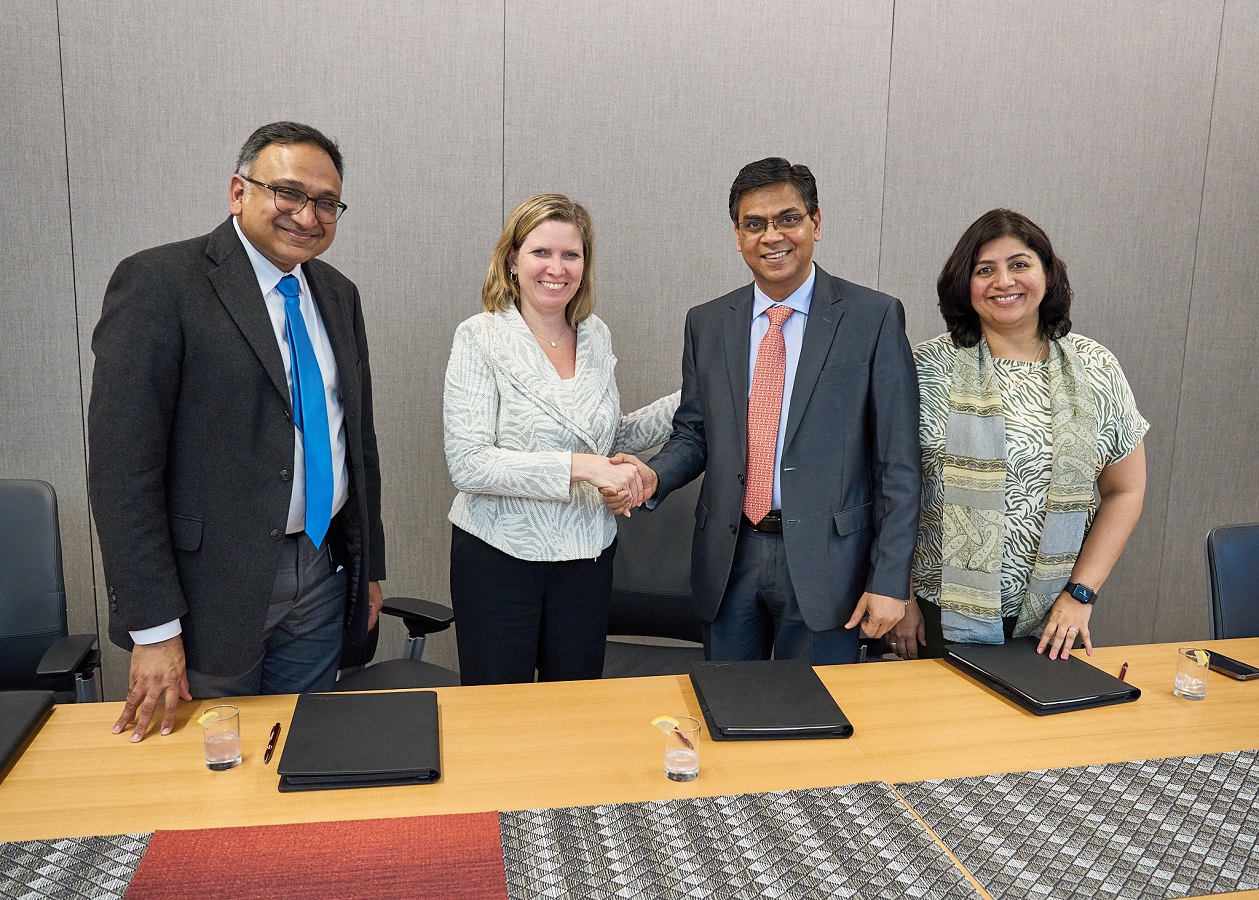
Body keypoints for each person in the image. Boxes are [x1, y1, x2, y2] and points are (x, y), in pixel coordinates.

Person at [89, 121, 386, 740]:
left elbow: (357, 441)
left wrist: (369, 570)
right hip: (210, 591)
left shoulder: (338, 294)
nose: (307, 215)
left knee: (304, 746)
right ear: (238, 192)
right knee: (211, 762)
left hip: (322, 570)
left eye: (326, 202)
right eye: (289, 193)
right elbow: (122, 472)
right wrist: (154, 628)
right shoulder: (160, 283)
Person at [610, 158, 921, 665]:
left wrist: (889, 580)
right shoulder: (708, 323)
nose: (772, 236)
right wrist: (653, 475)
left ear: (816, 223)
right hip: (730, 557)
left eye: (788, 219)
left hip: (829, 565)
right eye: (755, 224)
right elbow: (695, 433)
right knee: (729, 704)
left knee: (815, 708)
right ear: (738, 236)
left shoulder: (873, 317)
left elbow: (898, 463)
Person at [887, 209, 1148, 661]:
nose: (1003, 281)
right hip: (936, 613)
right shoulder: (924, 367)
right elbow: (888, 489)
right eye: (984, 270)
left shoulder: (1096, 367)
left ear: (1047, 273)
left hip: (1055, 618)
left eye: (1019, 264)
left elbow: (1126, 490)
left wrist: (1081, 594)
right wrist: (900, 595)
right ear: (964, 284)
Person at [443, 193, 678, 685]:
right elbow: (469, 463)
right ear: (512, 259)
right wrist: (583, 467)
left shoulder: (595, 334)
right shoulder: (479, 336)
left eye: (571, 254)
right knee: (500, 714)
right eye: (541, 252)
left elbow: (606, 437)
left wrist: (697, 395)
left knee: (576, 710)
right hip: (499, 557)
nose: (557, 268)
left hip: (586, 557)